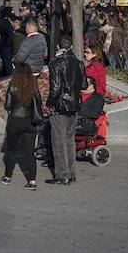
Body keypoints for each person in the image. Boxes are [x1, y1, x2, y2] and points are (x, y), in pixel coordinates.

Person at [46, 36, 88, 185]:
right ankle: (71, 174)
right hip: (74, 105)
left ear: (58, 47)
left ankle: (62, 175)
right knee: (69, 139)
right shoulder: (78, 63)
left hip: (60, 106)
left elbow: (55, 89)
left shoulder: (56, 64)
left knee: (58, 140)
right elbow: (84, 85)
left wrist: (49, 104)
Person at [1, 64, 42, 190]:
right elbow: (39, 102)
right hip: (29, 121)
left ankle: (7, 176)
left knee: (11, 150)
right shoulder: (33, 86)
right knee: (30, 153)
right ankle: (32, 181)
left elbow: (7, 106)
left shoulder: (13, 86)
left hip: (15, 120)